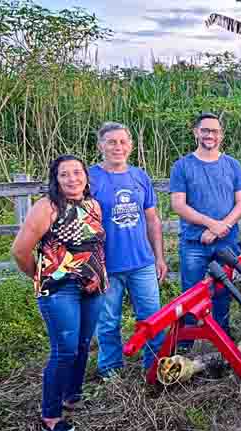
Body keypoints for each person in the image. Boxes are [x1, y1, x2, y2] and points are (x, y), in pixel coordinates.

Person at [11, 155, 109, 431]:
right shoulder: (47, 207)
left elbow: (95, 245)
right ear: (55, 179)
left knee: (82, 345)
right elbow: (20, 251)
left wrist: (100, 275)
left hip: (93, 286)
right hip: (59, 290)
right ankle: (51, 414)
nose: (72, 179)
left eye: (77, 172)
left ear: (86, 176)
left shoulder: (93, 205)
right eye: (64, 174)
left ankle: (72, 396)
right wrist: (43, 276)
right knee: (64, 350)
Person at [89, 122, 168, 379]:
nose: (117, 147)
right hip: (106, 265)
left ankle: (154, 366)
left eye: (123, 142)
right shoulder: (90, 178)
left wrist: (159, 257)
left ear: (131, 146)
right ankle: (110, 371)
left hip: (142, 263)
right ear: (101, 145)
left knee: (151, 318)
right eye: (111, 142)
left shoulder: (139, 176)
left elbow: (153, 220)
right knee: (108, 323)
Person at [170, 112, 241, 342]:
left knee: (224, 291)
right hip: (194, 242)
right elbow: (178, 204)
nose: (209, 135)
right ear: (196, 132)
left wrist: (221, 227)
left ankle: (221, 339)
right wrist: (211, 225)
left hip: (226, 240)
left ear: (221, 135)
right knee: (192, 293)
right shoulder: (182, 166)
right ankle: (187, 341)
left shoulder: (232, 165)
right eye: (205, 130)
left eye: (214, 131)